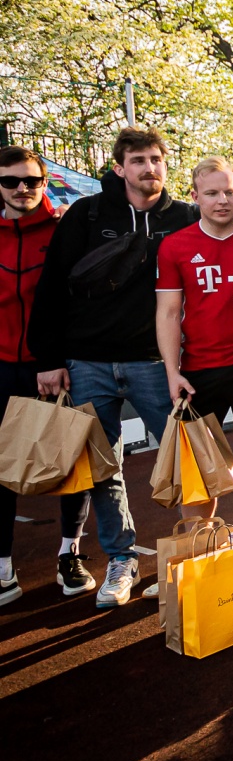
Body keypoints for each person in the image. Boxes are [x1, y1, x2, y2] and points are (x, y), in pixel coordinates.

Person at [29, 127, 198, 607]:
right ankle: (121, 560)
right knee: (104, 469)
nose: (149, 168)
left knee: (188, 462)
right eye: (138, 160)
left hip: (156, 363)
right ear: (120, 168)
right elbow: (52, 287)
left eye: (156, 159)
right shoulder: (87, 214)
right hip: (89, 362)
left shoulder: (185, 217)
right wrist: (49, 359)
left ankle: (195, 554)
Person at [155, 156, 233, 577]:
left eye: (230, 192)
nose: (222, 200)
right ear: (194, 197)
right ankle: (200, 547)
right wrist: (173, 371)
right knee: (199, 466)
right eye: (212, 193)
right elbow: (168, 312)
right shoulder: (176, 246)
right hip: (200, 367)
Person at [0, 147, 91, 606]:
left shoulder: (64, 229)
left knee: (70, 462)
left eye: (32, 181)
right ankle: (3, 567)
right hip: (2, 367)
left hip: (54, 366)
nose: (22, 189)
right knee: (1, 467)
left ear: (44, 182)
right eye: (11, 181)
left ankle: (69, 553)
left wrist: (53, 358)